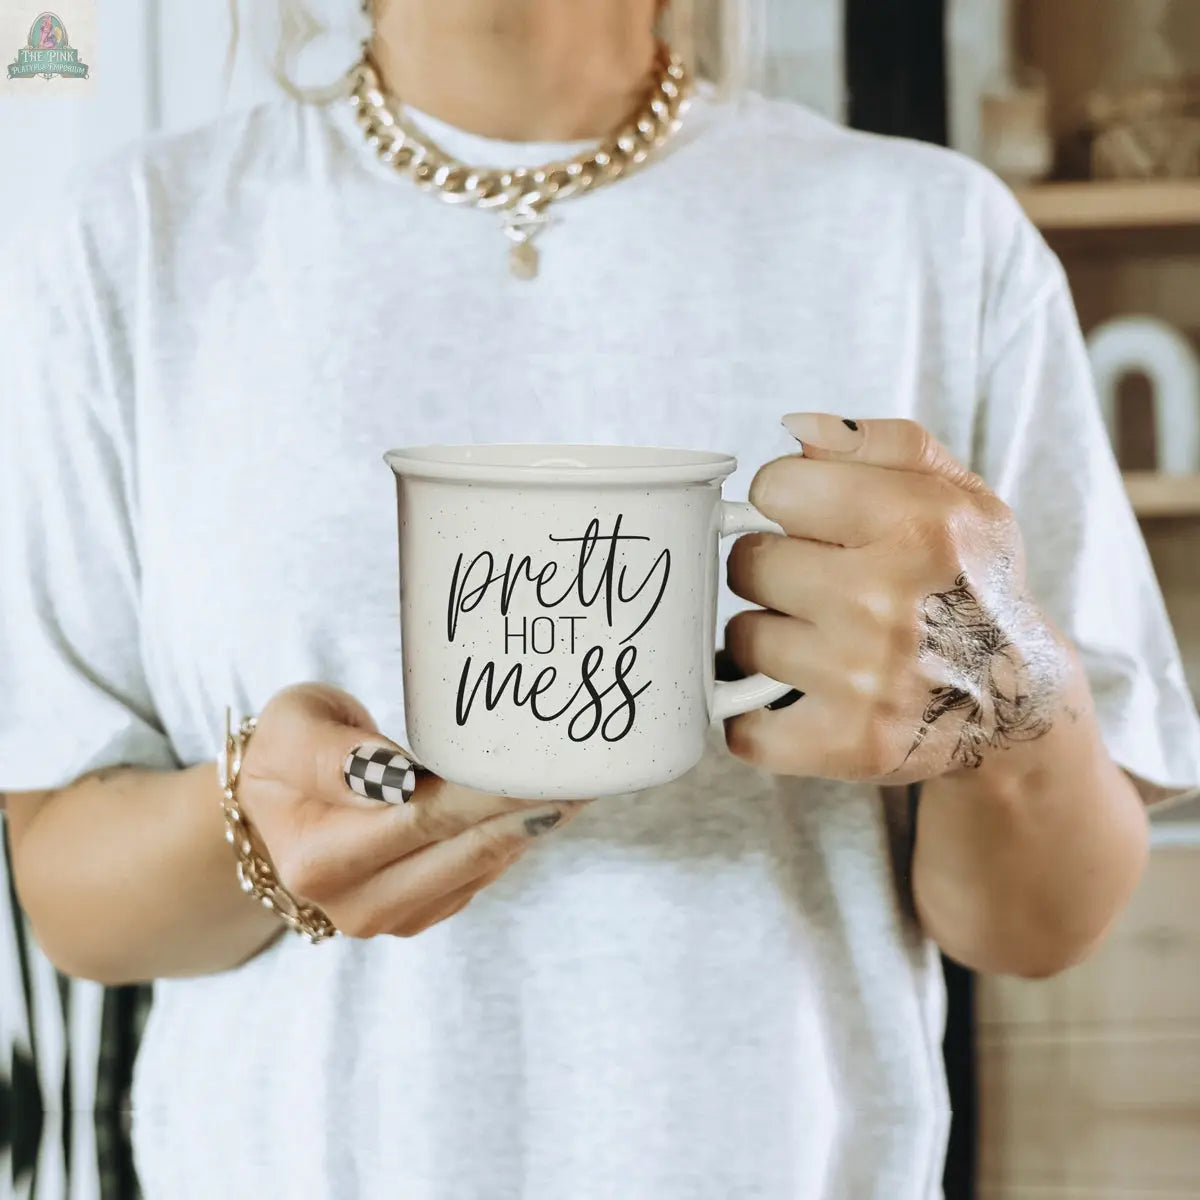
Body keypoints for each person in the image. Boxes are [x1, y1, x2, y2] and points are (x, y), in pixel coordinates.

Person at [2, 0, 1199, 1195]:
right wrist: (253, 828)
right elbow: (75, 906)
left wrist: (999, 700)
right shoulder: (138, 236)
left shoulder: (933, 234)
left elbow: (1038, 928)